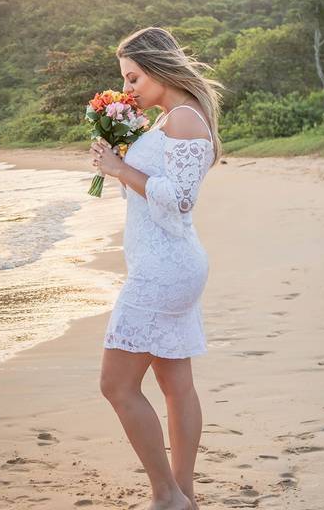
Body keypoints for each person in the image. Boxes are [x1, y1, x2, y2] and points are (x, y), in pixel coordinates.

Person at [90, 26, 225, 510]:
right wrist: (122, 160)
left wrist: (120, 168)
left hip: (163, 269)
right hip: (168, 263)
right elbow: (157, 188)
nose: (127, 90)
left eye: (133, 78)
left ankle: (167, 494)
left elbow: (181, 199)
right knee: (174, 384)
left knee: (117, 385)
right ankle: (183, 494)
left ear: (158, 68)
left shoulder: (185, 119)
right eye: (124, 81)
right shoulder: (170, 118)